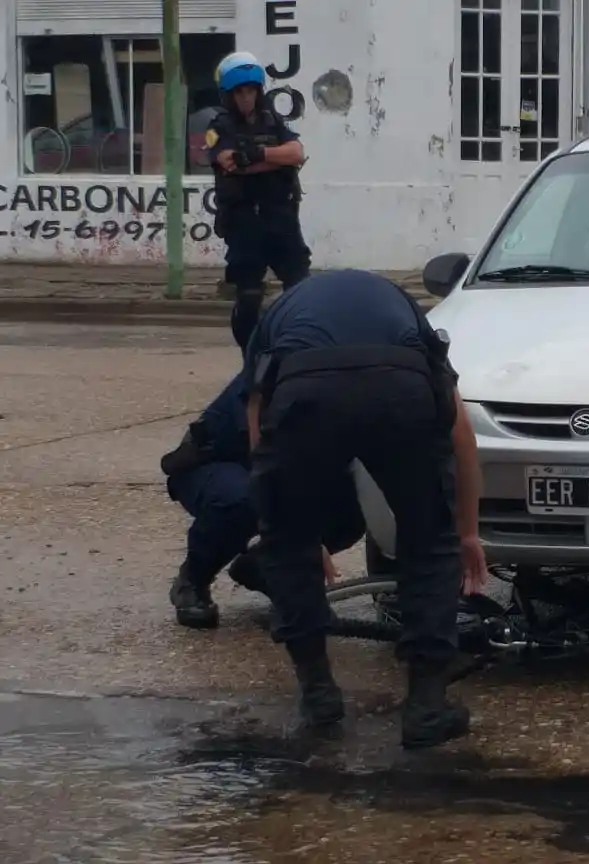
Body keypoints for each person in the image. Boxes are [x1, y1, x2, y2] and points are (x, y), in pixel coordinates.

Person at [242, 268, 488, 749]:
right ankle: (426, 708)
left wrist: (288, 522)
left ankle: (319, 695)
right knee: (428, 544)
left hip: (304, 393)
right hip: (401, 388)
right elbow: (461, 436)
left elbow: (258, 422)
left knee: (287, 546)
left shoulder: (278, 319)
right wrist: (464, 534)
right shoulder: (407, 314)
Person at [162, 372, 365, 629]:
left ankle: (263, 567)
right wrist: (303, 531)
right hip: (218, 461)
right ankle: (193, 578)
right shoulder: (282, 360)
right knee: (243, 500)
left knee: (355, 509)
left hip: (281, 464)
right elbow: (268, 462)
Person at [208, 51, 312, 350]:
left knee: (301, 292)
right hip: (244, 224)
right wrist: (274, 159)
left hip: (281, 220)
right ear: (229, 95)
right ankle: (252, 360)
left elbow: (296, 153)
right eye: (239, 92)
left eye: (251, 91)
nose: (246, 98)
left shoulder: (272, 120)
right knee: (249, 299)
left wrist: (256, 156)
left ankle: (298, 353)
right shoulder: (219, 127)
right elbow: (228, 162)